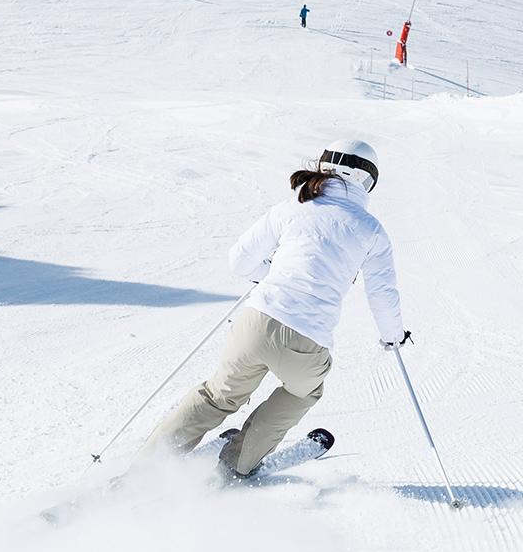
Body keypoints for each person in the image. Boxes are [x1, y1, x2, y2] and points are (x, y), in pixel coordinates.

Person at [142, 137, 409, 477]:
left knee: (218, 396)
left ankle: (148, 467)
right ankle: (237, 463)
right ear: (367, 181)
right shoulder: (372, 230)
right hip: (306, 341)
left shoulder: (292, 207)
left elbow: (240, 262)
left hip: (256, 321)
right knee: (303, 391)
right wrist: (393, 337)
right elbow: (382, 296)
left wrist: (272, 274)